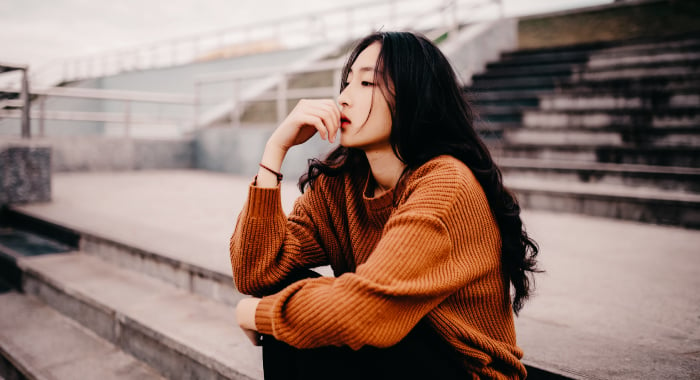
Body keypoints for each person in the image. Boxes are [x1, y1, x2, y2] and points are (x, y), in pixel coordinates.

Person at [230, 31, 540, 379]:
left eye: (366, 83)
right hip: (391, 353)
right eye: (346, 83)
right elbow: (256, 271)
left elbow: (368, 310)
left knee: (313, 313)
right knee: (290, 295)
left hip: (461, 368)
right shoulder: (340, 183)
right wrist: (275, 151)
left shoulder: (445, 183)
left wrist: (260, 314)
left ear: (413, 96)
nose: (344, 98)